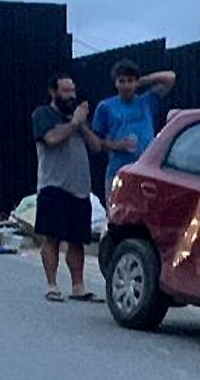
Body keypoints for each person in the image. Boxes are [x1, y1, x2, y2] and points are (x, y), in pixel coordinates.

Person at [32, 74, 104, 303]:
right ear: (54, 92)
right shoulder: (43, 114)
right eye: (65, 91)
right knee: (51, 237)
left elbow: (96, 146)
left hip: (80, 188)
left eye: (73, 90)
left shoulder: (78, 120)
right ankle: (52, 285)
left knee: (77, 241)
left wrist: (81, 124)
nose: (71, 95)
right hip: (54, 186)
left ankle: (78, 286)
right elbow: (51, 139)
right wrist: (73, 124)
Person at [91, 59, 176, 197]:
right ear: (115, 83)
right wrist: (115, 145)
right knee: (117, 216)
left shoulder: (146, 101)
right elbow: (95, 141)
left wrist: (141, 81)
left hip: (147, 172)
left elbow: (170, 77)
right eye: (122, 81)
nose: (126, 85)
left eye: (130, 81)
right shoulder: (105, 107)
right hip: (118, 172)